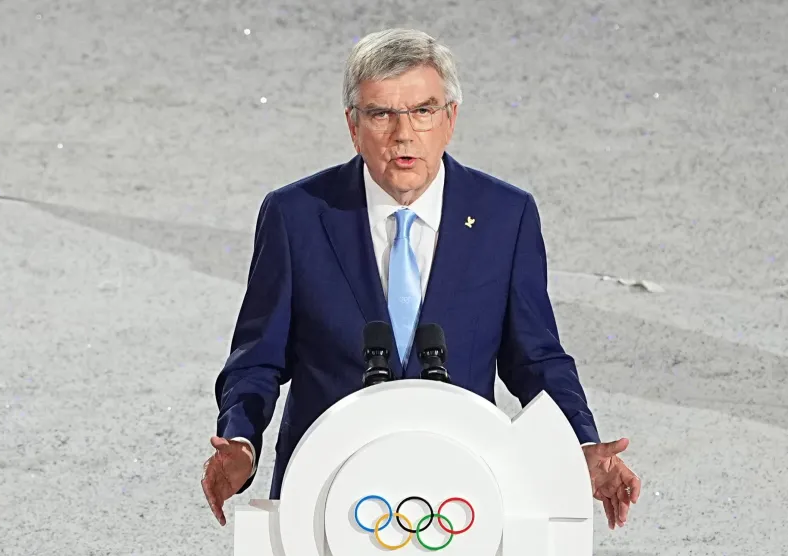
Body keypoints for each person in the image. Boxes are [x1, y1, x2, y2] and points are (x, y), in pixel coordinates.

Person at [201, 28, 641, 531]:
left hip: (460, 502)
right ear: (353, 124)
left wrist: (578, 445)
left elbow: (536, 358)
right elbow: (257, 360)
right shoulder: (296, 215)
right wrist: (241, 442)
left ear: (450, 118)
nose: (403, 133)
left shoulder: (504, 216)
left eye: (423, 111)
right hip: (324, 498)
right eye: (381, 113)